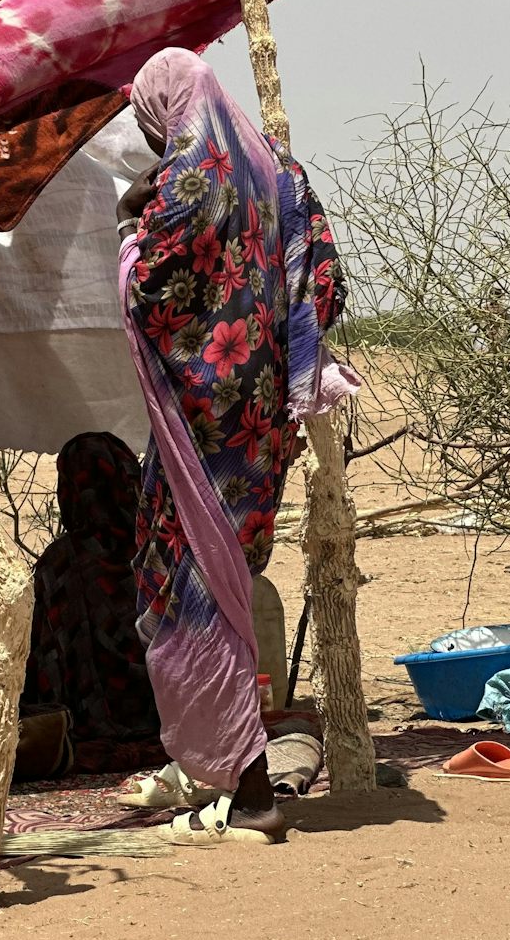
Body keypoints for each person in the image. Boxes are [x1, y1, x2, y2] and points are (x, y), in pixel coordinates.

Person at [115, 48, 354, 845]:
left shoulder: (188, 177)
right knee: (222, 583)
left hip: (204, 423)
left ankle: (251, 791)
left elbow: (152, 291)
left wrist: (129, 226)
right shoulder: (278, 170)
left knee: (195, 595)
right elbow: (324, 279)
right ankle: (225, 774)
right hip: (258, 427)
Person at [25, 432, 161, 773]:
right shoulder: (160, 552)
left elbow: (43, 655)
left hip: (82, 721)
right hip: (166, 712)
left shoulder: (61, 562)